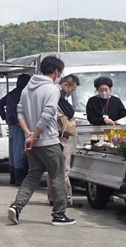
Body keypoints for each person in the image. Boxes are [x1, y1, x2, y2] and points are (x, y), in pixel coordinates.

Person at [7, 55, 75, 226]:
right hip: (49, 141)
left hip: (33, 143)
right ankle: (59, 215)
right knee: (58, 176)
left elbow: (19, 112)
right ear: (56, 71)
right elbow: (48, 113)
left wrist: (29, 133)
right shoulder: (52, 89)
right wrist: (36, 134)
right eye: (60, 72)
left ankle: (17, 206)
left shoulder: (27, 89)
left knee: (32, 176)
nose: (60, 75)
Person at [47, 74, 82, 208]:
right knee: (64, 170)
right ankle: (66, 199)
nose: (71, 93)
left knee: (53, 170)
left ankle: (53, 197)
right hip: (60, 137)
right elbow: (71, 112)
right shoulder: (58, 95)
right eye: (71, 90)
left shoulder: (51, 94)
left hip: (50, 137)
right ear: (65, 85)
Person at [0, 73, 31, 186]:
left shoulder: (11, 93)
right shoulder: (23, 94)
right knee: (19, 153)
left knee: (12, 153)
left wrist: (5, 117)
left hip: (11, 125)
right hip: (19, 125)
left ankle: (13, 177)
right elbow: (19, 110)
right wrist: (18, 120)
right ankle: (19, 180)